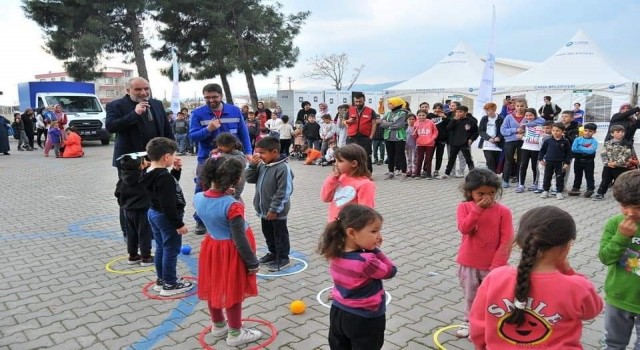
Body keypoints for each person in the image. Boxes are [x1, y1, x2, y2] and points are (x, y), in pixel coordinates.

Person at [470, 206, 603, 348]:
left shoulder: (495, 277)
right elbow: (592, 311)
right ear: (566, 247)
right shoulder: (577, 287)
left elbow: (478, 326)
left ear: (521, 242)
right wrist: (569, 272)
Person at [194, 156, 262, 347]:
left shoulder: (198, 197)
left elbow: (213, 203)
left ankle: (218, 326)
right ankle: (235, 333)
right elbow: (239, 239)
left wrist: (225, 193)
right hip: (231, 253)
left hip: (212, 248)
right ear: (235, 179)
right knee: (232, 291)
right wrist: (252, 262)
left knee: (215, 287)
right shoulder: (233, 205)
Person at [317, 204, 396, 350]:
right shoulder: (367, 261)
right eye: (374, 231)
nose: (379, 236)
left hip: (338, 312)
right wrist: (376, 251)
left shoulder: (334, 253)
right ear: (352, 233)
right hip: (365, 318)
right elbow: (391, 271)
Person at [106, 77, 174, 241]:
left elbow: (166, 130)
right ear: (128, 90)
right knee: (130, 199)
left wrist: (172, 153)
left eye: (146, 89)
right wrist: (135, 114)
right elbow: (111, 127)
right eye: (138, 90)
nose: (143, 93)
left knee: (155, 195)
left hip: (155, 160)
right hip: (130, 162)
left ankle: (151, 231)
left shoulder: (157, 104)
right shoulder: (116, 105)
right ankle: (130, 234)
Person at [455, 168, 514, 338]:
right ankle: (469, 320)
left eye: (491, 193)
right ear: (469, 192)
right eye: (480, 193)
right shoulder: (464, 207)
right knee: (471, 296)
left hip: (493, 266)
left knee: (493, 297)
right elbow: (465, 229)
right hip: (469, 263)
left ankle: (492, 322)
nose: (486, 197)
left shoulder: (503, 211)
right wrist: (478, 210)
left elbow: (507, 239)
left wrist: (497, 265)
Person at [189, 83, 252, 235]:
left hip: (232, 159)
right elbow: (191, 137)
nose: (211, 100)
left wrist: (249, 151)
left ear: (221, 96)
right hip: (207, 159)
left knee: (233, 188)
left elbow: (244, 133)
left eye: (214, 97)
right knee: (203, 187)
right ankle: (200, 221)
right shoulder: (198, 113)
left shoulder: (234, 111)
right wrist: (208, 129)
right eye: (207, 98)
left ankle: (231, 216)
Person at [141, 137, 193, 296]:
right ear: (166, 157)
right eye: (173, 155)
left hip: (154, 214)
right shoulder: (163, 177)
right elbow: (168, 203)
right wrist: (178, 224)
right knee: (171, 249)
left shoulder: (148, 172)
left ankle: (162, 280)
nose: (175, 157)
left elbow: (164, 189)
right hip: (166, 217)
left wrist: (175, 171)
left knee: (162, 248)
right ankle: (170, 283)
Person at [598, 170, 640, 349]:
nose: (630, 213)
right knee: (613, 344)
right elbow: (605, 257)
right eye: (624, 206)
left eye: (637, 207)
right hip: (618, 297)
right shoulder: (615, 224)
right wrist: (621, 237)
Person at [246, 137, 294, 271]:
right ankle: (273, 253)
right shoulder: (262, 164)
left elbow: (284, 191)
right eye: (257, 153)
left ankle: (283, 257)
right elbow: (249, 179)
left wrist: (274, 209)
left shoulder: (283, 168)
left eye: (262, 153)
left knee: (280, 235)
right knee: (268, 233)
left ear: (274, 152)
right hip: (264, 209)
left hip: (276, 211)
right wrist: (252, 166)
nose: (259, 156)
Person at [114, 151, 154, 267]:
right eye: (145, 160)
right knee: (144, 233)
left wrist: (124, 204)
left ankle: (133, 256)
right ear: (141, 166)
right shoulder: (143, 177)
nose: (148, 161)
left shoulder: (123, 177)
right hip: (142, 210)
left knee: (131, 233)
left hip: (128, 211)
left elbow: (117, 193)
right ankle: (146, 257)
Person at [320, 143, 376, 222]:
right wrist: (332, 178)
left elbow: (366, 212)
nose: (335, 164)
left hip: (351, 228)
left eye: (340, 161)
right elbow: (325, 198)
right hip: (334, 225)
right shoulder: (340, 178)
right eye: (335, 161)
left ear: (354, 163)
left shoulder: (365, 184)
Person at [592, 125, 636, 201]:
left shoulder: (627, 144)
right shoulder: (607, 143)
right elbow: (603, 153)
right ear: (612, 134)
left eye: (622, 132)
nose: (621, 133)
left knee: (621, 182)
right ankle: (600, 193)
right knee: (605, 180)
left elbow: (627, 155)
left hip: (621, 167)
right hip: (608, 166)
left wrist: (616, 163)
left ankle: (623, 195)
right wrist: (607, 163)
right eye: (618, 132)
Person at [441, 106, 477, 179]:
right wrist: (454, 120)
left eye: (460, 112)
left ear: (465, 112)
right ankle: (447, 173)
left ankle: (473, 173)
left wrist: (471, 139)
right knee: (451, 159)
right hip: (454, 142)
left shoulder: (470, 121)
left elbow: (476, 132)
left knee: (468, 158)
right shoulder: (453, 120)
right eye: (457, 112)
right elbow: (448, 129)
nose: (458, 113)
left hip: (464, 143)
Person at [346, 92, 378, 173]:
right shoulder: (350, 110)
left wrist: (371, 137)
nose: (358, 103)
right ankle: (352, 173)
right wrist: (348, 121)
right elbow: (344, 121)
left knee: (366, 156)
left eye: (360, 101)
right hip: (351, 137)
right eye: (356, 101)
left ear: (364, 100)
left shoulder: (370, 111)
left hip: (365, 137)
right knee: (350, 156)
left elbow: (374, 124)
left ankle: (368, 173)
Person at [538, 123, 572, 200]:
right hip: (549, 162)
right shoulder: (548, 140)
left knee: (559, 178)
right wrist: (540, 159)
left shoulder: (565, 141)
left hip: (560, 163)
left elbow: (568, 153)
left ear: (563, 131)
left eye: (558, 131)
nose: (555, 132)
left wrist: (567, 163)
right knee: (547, 177)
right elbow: (542, 151)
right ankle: (545, 191)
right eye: (553, 130)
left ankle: (559, 192)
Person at [210, 132, 247, 202]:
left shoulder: (239, 157)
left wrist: (220, 156)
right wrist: (212, 154)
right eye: (218, 145)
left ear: (230, 145)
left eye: (221, 145)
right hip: (222, 185)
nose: (219, 147)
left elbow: (241, 174)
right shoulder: (221, 153)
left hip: (234, 186)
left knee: (232, 201)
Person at [500, 98, 528, 188]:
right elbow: (503, 130)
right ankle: (505, 180)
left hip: (523, 141)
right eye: (517, 106)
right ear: (514, 106)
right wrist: (515, 130)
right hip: (510, 141)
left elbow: (536, 126)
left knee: (521, 161)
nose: (519, 108)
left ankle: (520, 182)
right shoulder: (509, 117)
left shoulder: (528, 117)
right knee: (508, 161)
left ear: (526, 106)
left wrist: (524, 132)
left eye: (522, 106)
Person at [515, 108, 545, 193]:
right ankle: (521, 184)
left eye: (531, 115)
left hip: (536, 149)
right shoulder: (525, 124)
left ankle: (535, 184)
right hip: (525, 148)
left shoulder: (539, 125)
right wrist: (522, 134)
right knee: (523, 166)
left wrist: (523, 138)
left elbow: (537, 140)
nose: (528, 117)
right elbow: (527, 134)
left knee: (534, 167)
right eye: (526, 115)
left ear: (535, 115)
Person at [380, 97, 408, 179]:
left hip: (399, 137)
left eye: (390, 103)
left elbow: (399, 125)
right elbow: (382, 123)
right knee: (390, 155)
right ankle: (391, 172)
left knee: (400, 155)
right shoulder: (388, 114)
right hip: (388, 137)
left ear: (396, 104)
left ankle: (404, 173)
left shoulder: (403, 113)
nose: (388, 105)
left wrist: (387, 125)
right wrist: (391, 124)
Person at [568, 123, 598, 198]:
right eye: (586, 130)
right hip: (578, 160)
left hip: (589, 161)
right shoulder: (577, 139)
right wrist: (585, 150)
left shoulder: (594, 141)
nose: (587, 132)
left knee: (589, 175)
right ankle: (576, 188)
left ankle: (590, 189)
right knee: (577, 175)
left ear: (594, 132)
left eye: (590, 131)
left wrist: (579, 147)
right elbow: (573, 149)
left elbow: (591, 151)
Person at [478, 102, 504, 173]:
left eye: (488, 110)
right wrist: (488, 138)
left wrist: (499, 137)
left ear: (494, 110)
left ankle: (493, 175)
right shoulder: (484, 119)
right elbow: (481, 130)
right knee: (489, 160)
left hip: (497, 145)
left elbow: (503, 131)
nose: (487, 112)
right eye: (486, 110)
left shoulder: (501, 119)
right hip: (487, 144)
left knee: (496, 162)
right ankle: (492, 177)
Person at [413, 109, 438, 178]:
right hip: (420, 144)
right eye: (419, 115)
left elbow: (435, 132)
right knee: (420, 158)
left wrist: (432, 138)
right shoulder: (416, 123)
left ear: (426, 115)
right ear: (417, 116)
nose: (421, 117)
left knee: (428, 159)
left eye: (423, 115)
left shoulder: (430, 122)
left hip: (430, 144)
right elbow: (415, 134)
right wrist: (415, 137)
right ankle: (417, 174)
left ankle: (428, 174)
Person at [430, 102, 449, 177]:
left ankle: (436, 170)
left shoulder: (445, 116)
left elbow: (449, 125)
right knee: (429, 155)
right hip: (431, 139)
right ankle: (426, 169)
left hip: (441, 139)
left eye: (439, 108)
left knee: (439, 155)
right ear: (433, 108)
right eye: (436, 108)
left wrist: (444, 117)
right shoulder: (430, 115)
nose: (437, 110)